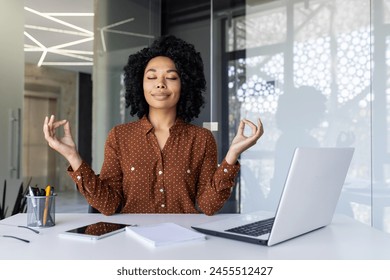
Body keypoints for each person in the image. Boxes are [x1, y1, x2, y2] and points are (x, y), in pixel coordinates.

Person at [43, 35, 263, 216]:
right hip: (131, 243)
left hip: (184, 242)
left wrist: (232, 155)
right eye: (151, 77)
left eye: (171, 77)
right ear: (139, 84)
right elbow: (108, 205)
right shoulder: (119, 136)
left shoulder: (202, 139)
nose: (160, 83)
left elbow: (208, 206)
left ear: (185, 85)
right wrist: (73, 157)